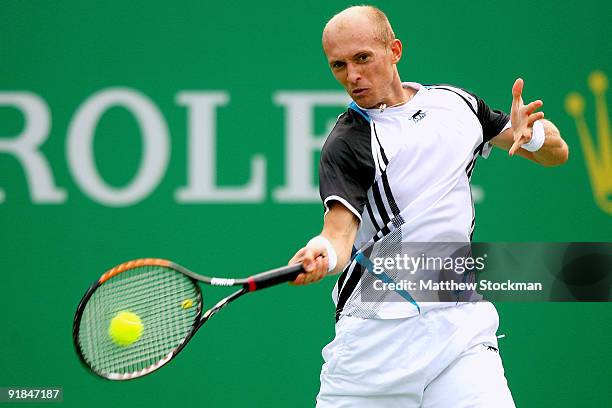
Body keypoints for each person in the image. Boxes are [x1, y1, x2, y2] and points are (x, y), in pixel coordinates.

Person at [288, 5, 569, 408]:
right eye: (339, 65)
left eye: (362, 58)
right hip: (377, 338)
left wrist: (536, 135)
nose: (352, 76)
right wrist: (324, 252)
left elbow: (556, 154)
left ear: (394, 51)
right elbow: (338, 237)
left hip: (460, 329)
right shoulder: (348, 142)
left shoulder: (456, 105)